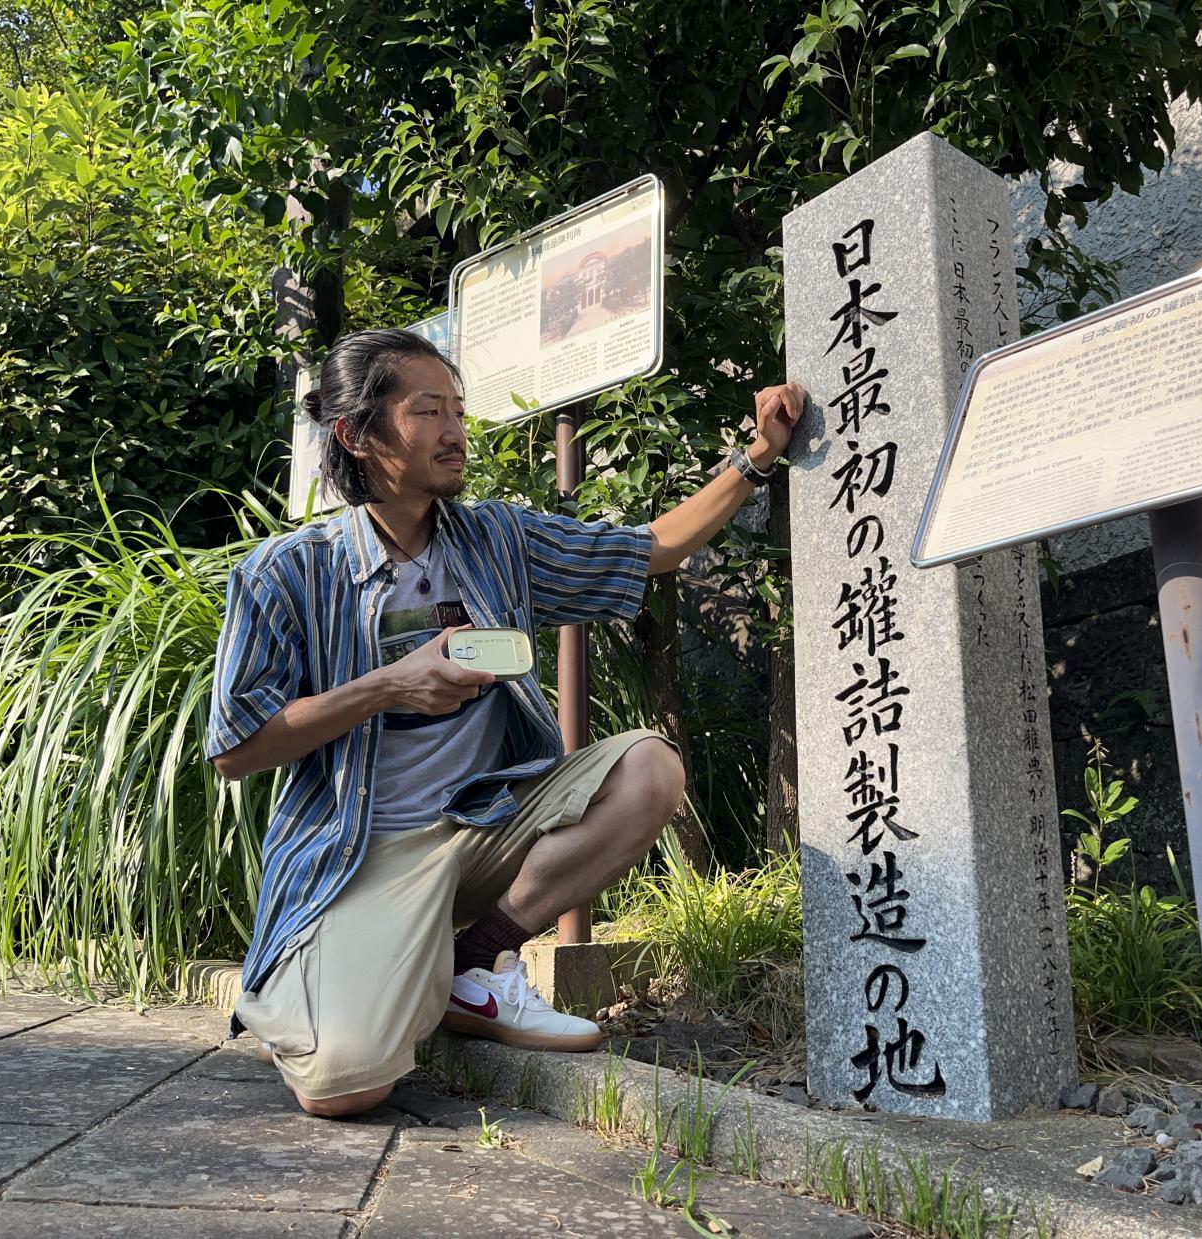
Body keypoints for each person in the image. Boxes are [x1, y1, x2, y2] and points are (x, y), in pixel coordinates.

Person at [207, 327, 804, 1118]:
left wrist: (755, 458)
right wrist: (388, 685)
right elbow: (236, 748)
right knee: (346, 1088)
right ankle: (337, 980)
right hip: (360, 854)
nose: (456, 432)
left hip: (489, 821)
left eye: (458, 409)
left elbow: (652, 548)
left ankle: (474, 962)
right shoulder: (287, 571)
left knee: (649, 767)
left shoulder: (497, 539)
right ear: (355, 433)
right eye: (428, 412)